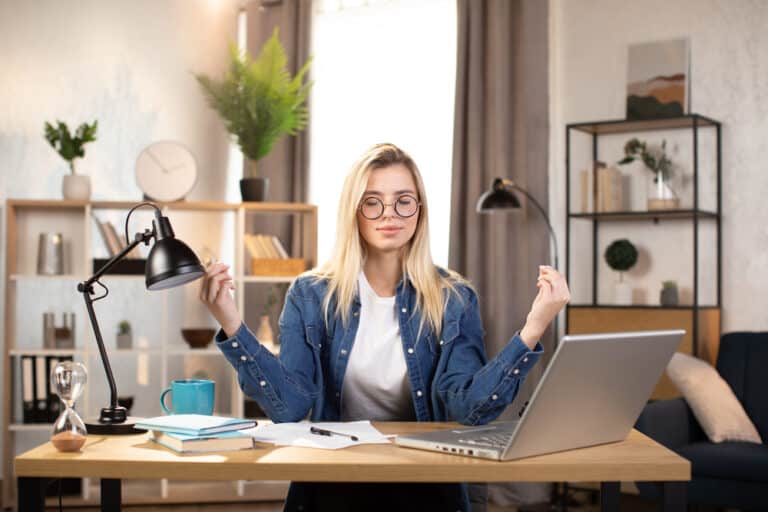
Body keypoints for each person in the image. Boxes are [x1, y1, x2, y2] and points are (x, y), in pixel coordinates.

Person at [200, 143, 570, 511]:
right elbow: (291, 407)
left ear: (419, 211)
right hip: (337, 480)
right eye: (372, 201)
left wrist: (534, 326)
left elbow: (468, 410)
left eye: (404, 200)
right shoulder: (311, 294)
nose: (389, 214)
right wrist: (231, 322)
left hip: (425, 482)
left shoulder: (454, 297)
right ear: (354, 211)